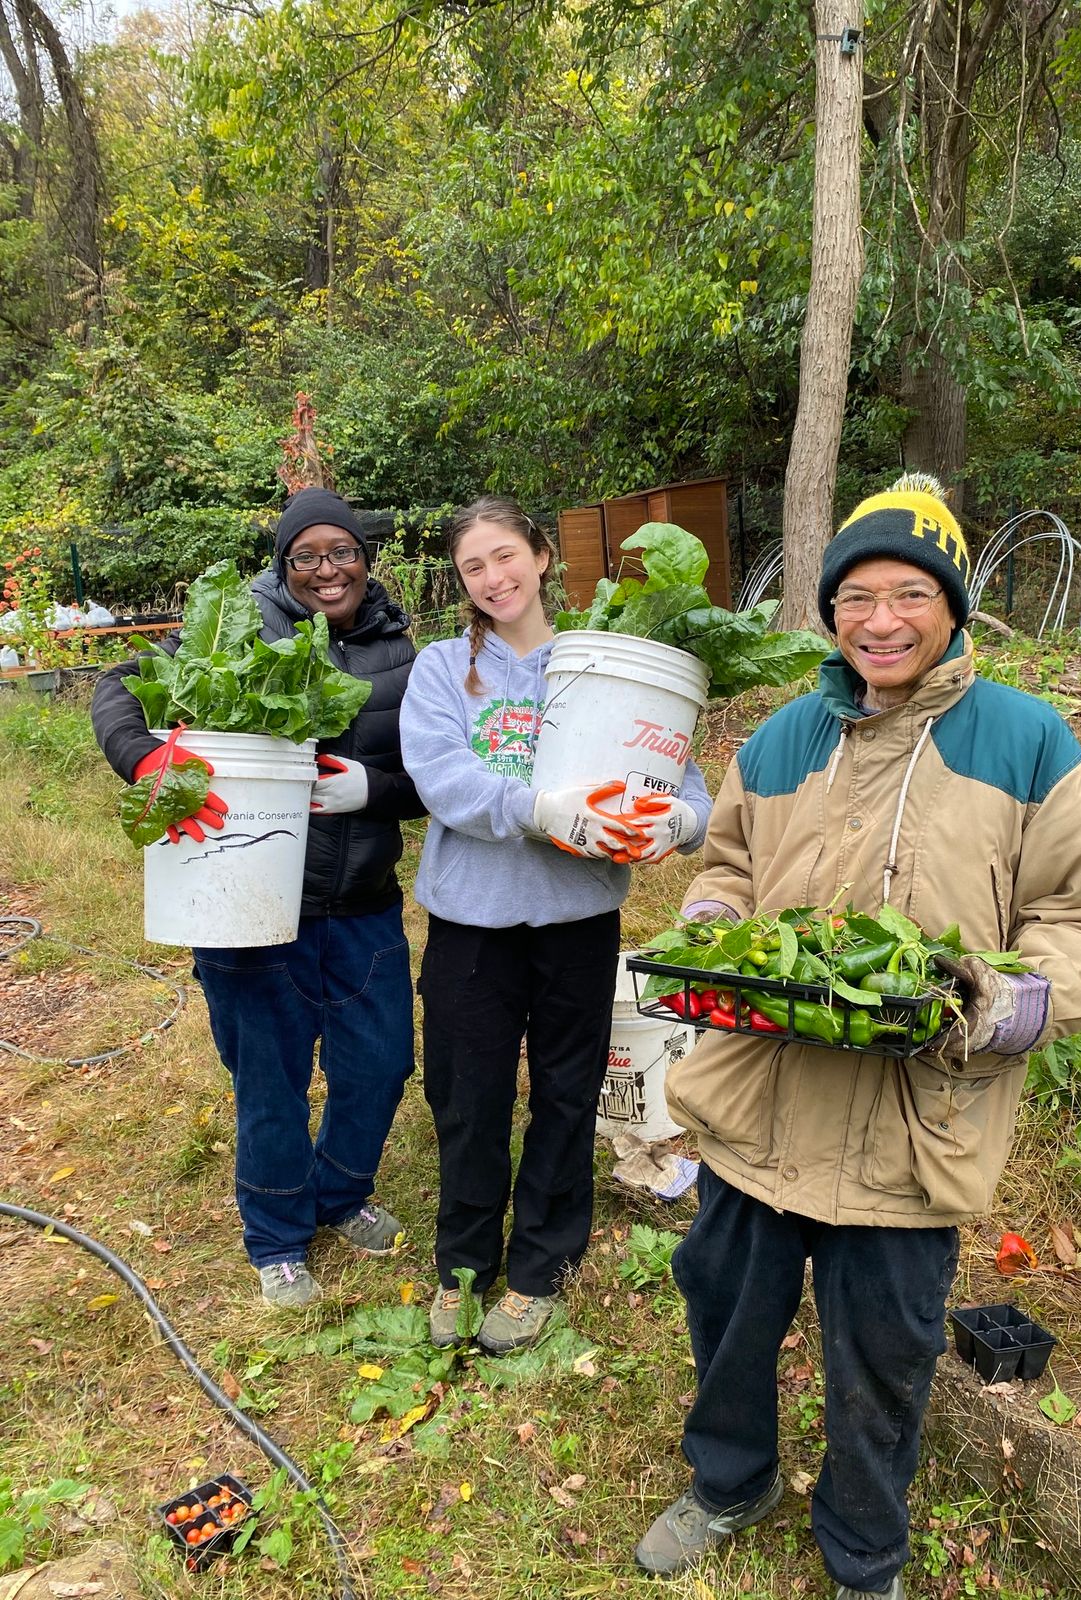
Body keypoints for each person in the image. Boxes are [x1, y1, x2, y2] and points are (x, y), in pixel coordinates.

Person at [634, 476, 1081, 1598]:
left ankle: (863, 1550)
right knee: (724, 1312)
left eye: (910, 594)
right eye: (856, 594)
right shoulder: (778, 737)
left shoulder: (1023, 738)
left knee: (885, 1356)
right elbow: (727, 866)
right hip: (754, 1110)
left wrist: (1016, 1000)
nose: (881, 620)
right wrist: (716, 926)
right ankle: (729, 1481)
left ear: (952, 607)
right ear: (828, 611)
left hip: (913, 1128)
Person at [92, 487, 426, 1309]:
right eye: (306, 555)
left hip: (362, 904)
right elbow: (120, 686)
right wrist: (146, 761)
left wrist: (375, 792)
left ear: (364, 558)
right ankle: (277, 1239)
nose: (327, 569)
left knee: (381, 1065)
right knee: (268, 1079)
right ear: (284, 564)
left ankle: (339, 1196)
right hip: (245, 899)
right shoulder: (237, 628)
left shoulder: (403, 651)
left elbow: (430, 780)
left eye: (341, 551)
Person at [399, 495, 713, 1354]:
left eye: (506, 556)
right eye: (473, 567)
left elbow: (688, 793)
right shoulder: (442, 671)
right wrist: (543, 807)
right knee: (468, 1097)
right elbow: (441, 781)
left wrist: (676, 826)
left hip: (578, 919)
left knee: (568, 1094)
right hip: (472, 922)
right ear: (462, 583)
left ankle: (541, 1264)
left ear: (541, 557)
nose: (494, 577)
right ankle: (463, 1261)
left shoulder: (609, 663)